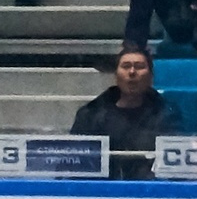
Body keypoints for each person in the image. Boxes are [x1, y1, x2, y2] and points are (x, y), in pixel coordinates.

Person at [71, 47, 184, 178]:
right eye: (126, 66)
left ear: (151, 76)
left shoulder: (167, 115)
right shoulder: (91, 114)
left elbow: (176, 166)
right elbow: (74, 165)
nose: (132, 72)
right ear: (116, 75)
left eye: (139, 66)